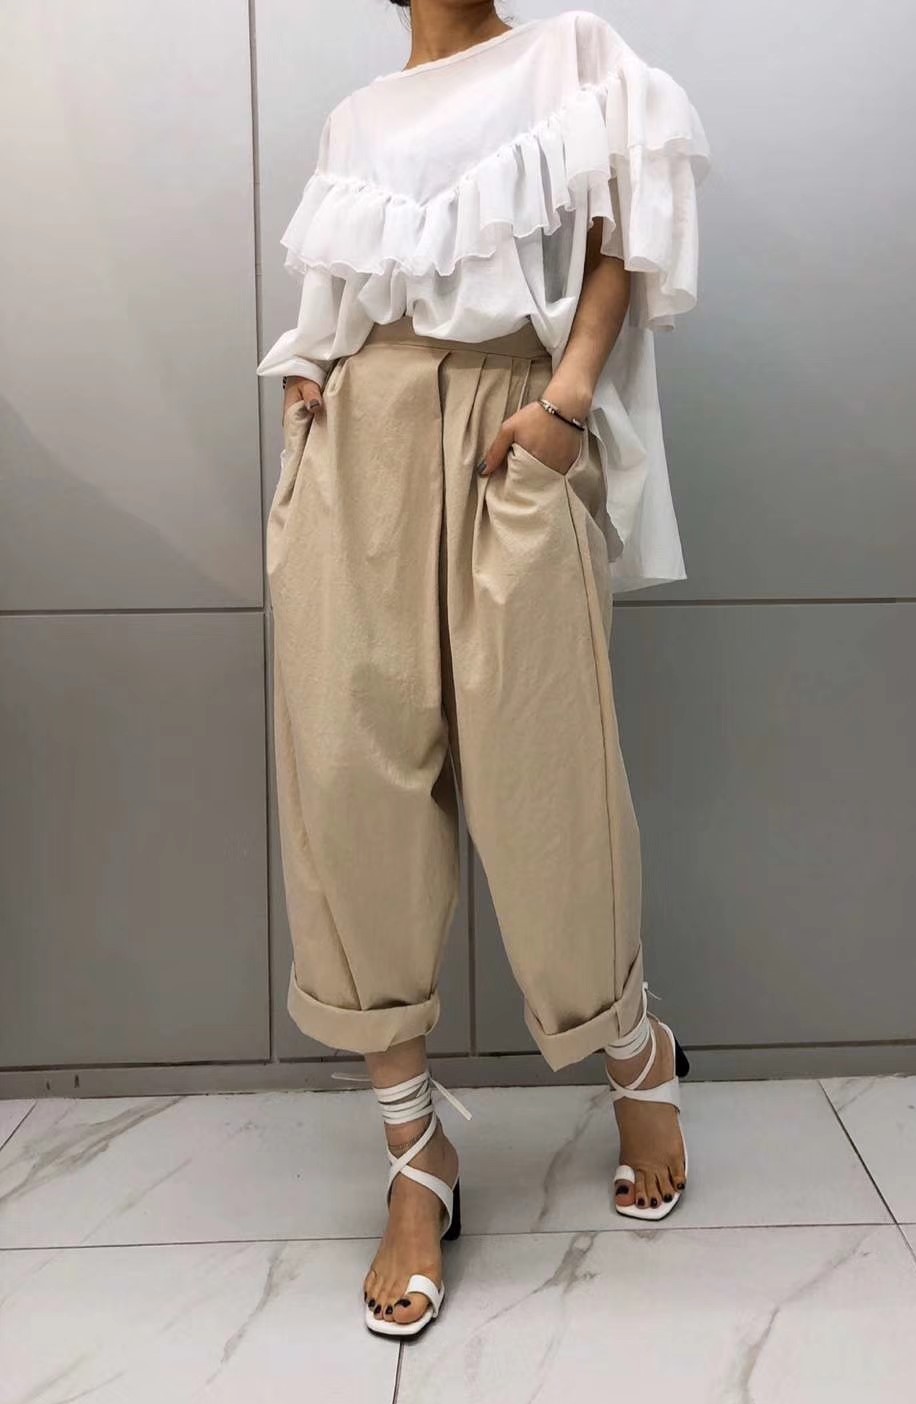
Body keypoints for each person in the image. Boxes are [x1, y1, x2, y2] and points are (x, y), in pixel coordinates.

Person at [257, 1, 710, 1337]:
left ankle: (633, 1049)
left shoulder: (572, 53)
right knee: (351, 795)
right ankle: (415, 1153)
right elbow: (329, 307)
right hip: (355, 445)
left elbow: (627, 236)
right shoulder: (354, 119)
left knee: (545, 782)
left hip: (508, 429)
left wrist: (567, 403)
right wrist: (304, 387)